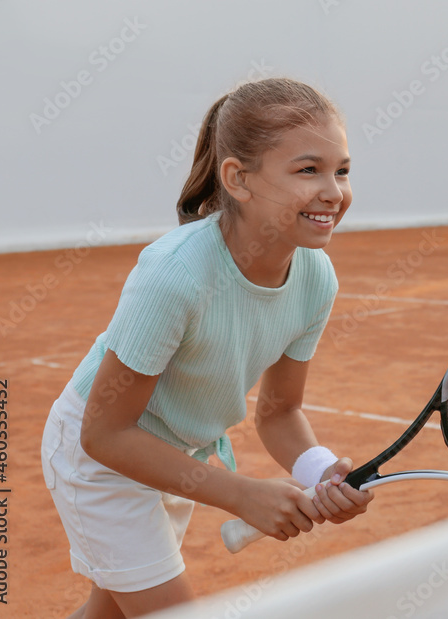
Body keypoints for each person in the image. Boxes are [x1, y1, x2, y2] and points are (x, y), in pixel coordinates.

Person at [40, 78, 373, 618]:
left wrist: (320, 473)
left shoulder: (316, 276)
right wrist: (240, 493)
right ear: (238, 179)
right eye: (308, 169)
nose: (334, 190)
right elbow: (103, 432)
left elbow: (280, 411)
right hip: (99, 460)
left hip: (177, 458)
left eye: (342, 169)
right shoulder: (175, 275)